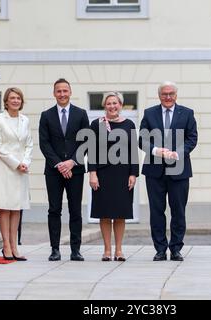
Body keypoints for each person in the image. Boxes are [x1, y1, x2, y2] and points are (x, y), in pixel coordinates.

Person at [139, 81, 198, 261]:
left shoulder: (187, 113)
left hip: (179, 171)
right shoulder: (149, 114)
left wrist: (178, 153)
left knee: (178, 211)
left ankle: (176, 249)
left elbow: (192, 138)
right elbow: (142, 139)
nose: (168, 97)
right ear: (159, 96)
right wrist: (156, 150)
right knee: (157, 211)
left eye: (171, 93)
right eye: (164, 94)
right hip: (154, 171)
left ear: (176, 95)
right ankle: (160, 249)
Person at [39, 78, 90, 261]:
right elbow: (44, 144)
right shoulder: (46, 115)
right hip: (53, 171)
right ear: (54, 93)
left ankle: (76, 250)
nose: (62, 94)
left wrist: (71, 162)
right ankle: (55, 249)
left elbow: (87, 141)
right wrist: (60, 164)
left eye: (65, 91)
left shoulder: (81, 114)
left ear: (70, 92)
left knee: (75, 210)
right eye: (58, 91)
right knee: (54, 209)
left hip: (75, 171)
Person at [88, 92, 139, 262]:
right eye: (109, 103)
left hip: (122, 174)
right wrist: (92, 173)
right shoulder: (97, 124)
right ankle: (106, 250)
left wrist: (133, 173)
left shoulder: (129, 124)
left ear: (120, 105)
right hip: (102, 174)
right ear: (105, 106)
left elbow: (133, 151)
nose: (112, 106)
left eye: (115, 103)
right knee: (104, 213)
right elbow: (92, 150)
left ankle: (119, 250)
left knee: (120, 213)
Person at [0, 87, 33, 261]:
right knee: (5, 206)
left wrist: (25, 162)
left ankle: (15, 246)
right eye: (12, 98)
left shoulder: (25, 120)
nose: (15, 101)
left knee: (17, 207)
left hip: (22, 169)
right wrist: (16, 164)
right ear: (6, 101)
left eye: (18, 98)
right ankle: (6, 245)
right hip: (5, 168)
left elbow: (29, 144)